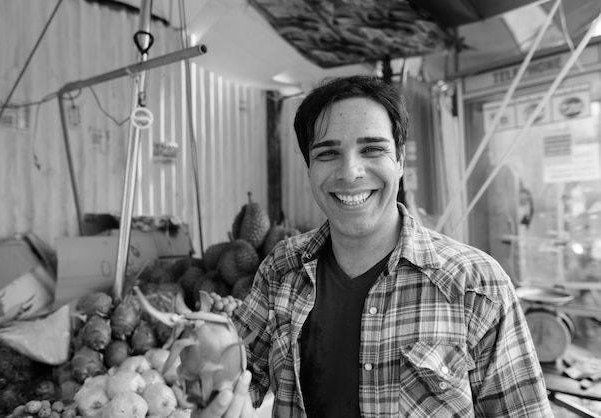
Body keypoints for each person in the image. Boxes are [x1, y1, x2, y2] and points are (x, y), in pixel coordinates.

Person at [198, 75, 553, 417]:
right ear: (309, 168)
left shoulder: (476, 285)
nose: (350, 171)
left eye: (371, 149)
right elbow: (240, 376)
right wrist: (209, 364)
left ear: (399, 159)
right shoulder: (281, 268)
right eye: (327, 153)